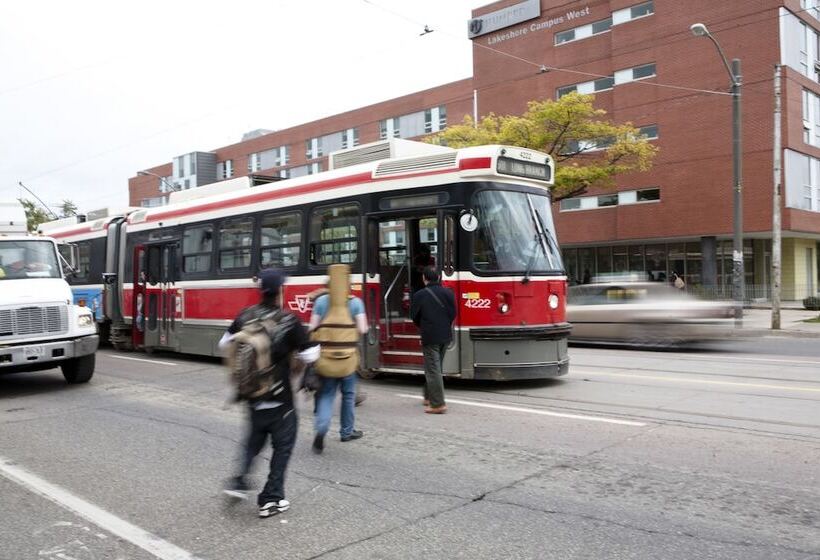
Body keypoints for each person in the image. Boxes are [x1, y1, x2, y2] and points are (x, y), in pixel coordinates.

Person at [220, 269, 318, 518]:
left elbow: (224, 343)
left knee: (254, 439)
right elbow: (310, 354)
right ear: (280, 291)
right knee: (282, 447)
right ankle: (271, 498)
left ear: (260, 290)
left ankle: (239, 482)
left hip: (252, 394)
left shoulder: (245, 316)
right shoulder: (288, 320)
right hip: (280, 399)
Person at [308, 267, 369, 454]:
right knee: (349, 395)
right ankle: (346, 431)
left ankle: (321, 429)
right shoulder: (356, 302)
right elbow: (364, 329)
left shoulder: (320, 302)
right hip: (348, 359)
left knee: (326, 394)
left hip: (326, 359)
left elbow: (312, 328)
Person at [410, 266, 457, 414]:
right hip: (445, 335)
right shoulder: (448, 293)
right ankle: (429, 396)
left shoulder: (419, 295)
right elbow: (453, 313)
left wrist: (425, 326)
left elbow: (414, 317)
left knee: (433, 369)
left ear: (424, 279)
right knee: (436, 368)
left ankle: (438, 404)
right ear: (438, 278)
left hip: (430, 336)